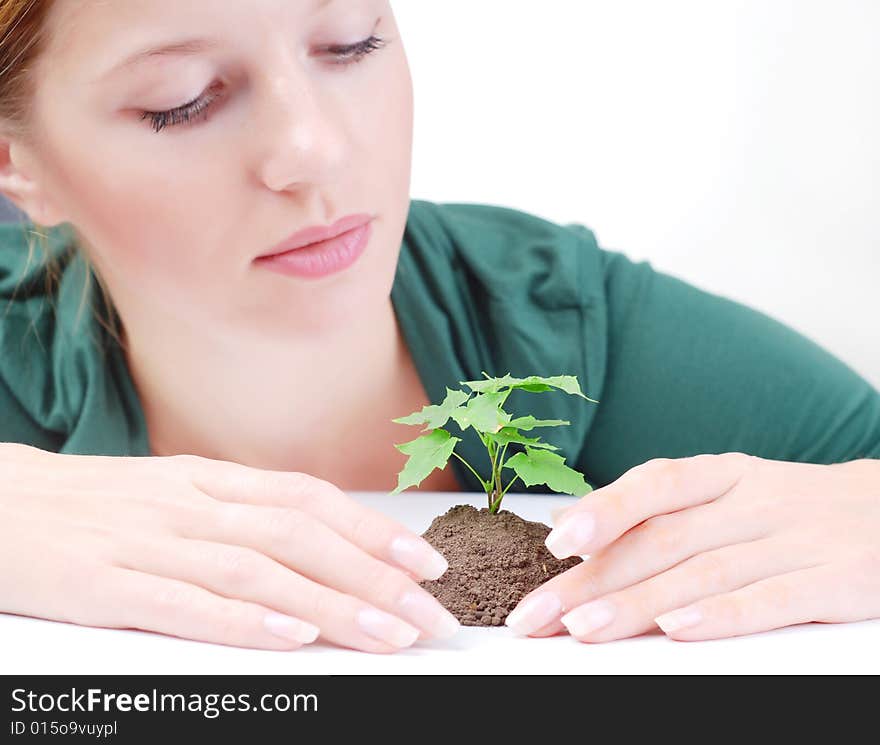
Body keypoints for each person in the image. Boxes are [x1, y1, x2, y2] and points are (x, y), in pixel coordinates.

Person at [0, 0, 878, 655]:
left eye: (351, 42)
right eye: (181, 101)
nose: (316, 147)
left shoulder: (561, 326)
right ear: (15, 163)